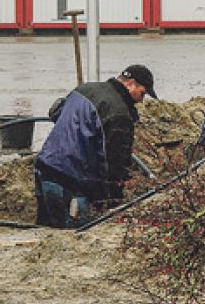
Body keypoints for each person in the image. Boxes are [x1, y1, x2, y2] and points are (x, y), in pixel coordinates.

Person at [34, 65, 156, 228]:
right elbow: (114, 163)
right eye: (142, 93)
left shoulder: (84, 89)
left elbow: (56, 114)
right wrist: (112, 201)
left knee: (45, 231)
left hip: (44, 169)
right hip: (70, 182)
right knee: (72, 235)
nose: (141, 100)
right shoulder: (119, 114)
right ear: (130, 83)